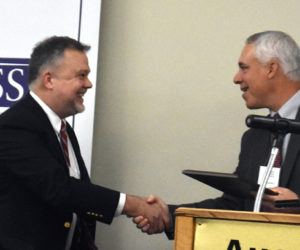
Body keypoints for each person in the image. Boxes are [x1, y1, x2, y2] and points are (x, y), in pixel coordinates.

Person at [0, 36, 170, 250]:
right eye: (82, 75)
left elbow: (78, 203)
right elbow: (59, 189)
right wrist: (133, 205)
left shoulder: (63, 129)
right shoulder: (13, 127)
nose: (88, 84)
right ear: (49, 80)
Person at [134, 30, 300, 239]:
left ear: (271, 68)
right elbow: (235, 205)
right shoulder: (254, 136)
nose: (236, 78)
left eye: (244, 68)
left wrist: (297, 209)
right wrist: (168, 215)